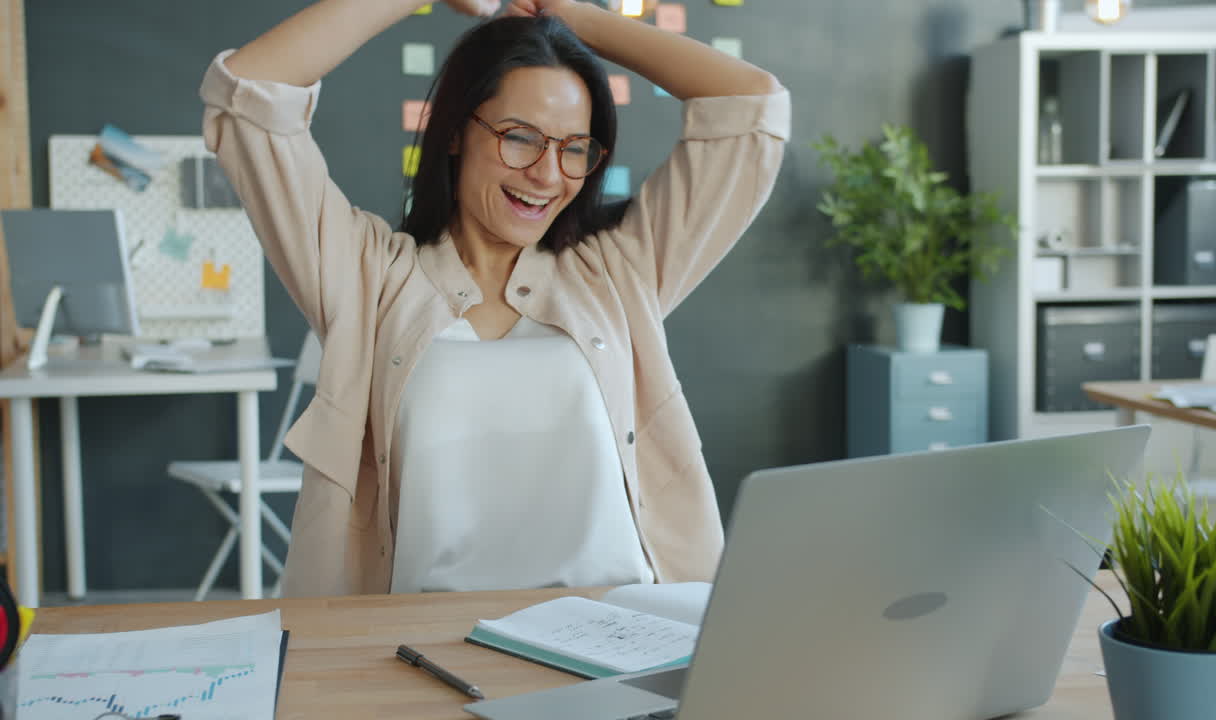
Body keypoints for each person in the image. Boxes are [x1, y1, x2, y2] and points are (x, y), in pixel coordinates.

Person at [199, 0, 790, 597]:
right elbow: (249, 93)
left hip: (618, 634)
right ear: (456, 131)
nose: (547, 174)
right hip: (419, 649)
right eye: (520, 138)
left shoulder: (618, 270)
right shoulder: (368, 278)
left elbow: (751, 108)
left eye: (574, 148)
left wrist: (565, 18)